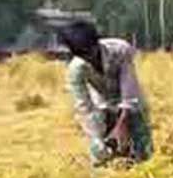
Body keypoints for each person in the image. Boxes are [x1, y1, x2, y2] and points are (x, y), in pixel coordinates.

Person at [59, 20, 153, 166]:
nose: (90, 58)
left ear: (97, 42)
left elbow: (129, 90)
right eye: (84, 55)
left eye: (91, 51)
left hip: (131, 104)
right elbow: (85, 108)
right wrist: (98, 139)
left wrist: (122, 124)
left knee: (142, 151)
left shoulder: (120, 50)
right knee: (101, 154)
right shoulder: (76, 70)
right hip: (103, 105)